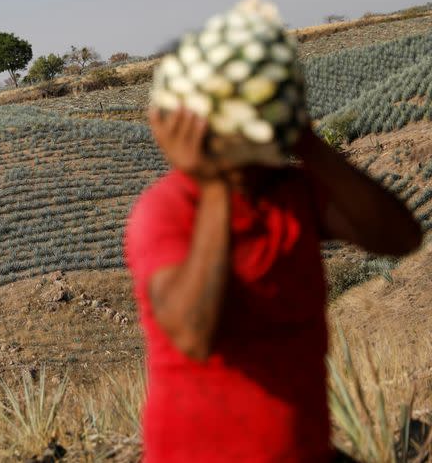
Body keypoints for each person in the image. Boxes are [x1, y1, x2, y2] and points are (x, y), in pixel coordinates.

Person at [124, 107, 423, 462]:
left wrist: (310, 144)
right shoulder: (167, 207)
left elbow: (400, 237)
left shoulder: (291, 193)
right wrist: (218, 185)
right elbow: (193, 333)